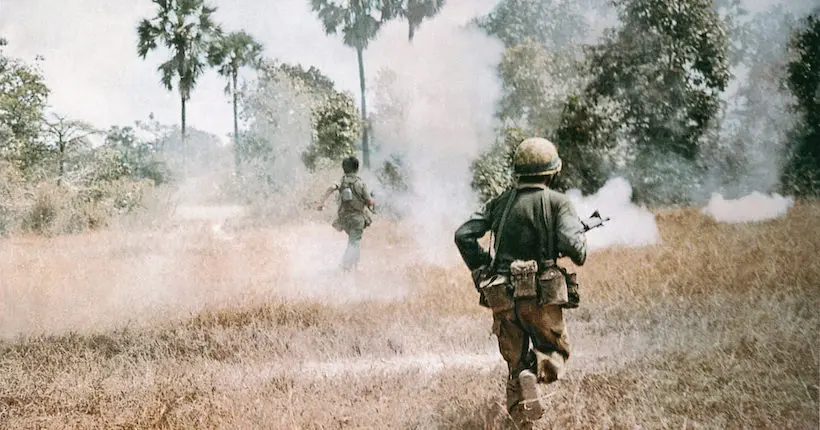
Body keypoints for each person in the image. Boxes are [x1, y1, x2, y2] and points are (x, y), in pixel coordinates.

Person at [454, 137, 588, 429]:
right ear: (552, 172)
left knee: (514, 367)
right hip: (540, 297)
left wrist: (483, 267)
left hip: (501, 294)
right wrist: (578, 237)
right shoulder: (558, 202)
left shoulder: (501, 201)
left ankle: (521, 424)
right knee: (555, 353)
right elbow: (576, 250)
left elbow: (463, 234)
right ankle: (536, 372)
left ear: (517, 171)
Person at [317, 156, 375, 271]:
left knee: (353, 241)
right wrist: (373, 200)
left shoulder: (341, 181)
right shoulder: (360, 183)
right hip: (357, 219)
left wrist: (322, 202)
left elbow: (331, 188)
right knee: (355, 243)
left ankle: (353, 267)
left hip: (344, 218)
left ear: (344, 168)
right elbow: (368, 201)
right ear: (356, 168)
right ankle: (346, 265)